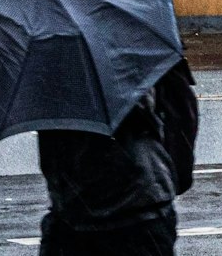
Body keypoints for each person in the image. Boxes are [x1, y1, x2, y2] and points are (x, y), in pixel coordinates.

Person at [36, 60, 195, 256]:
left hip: (76, 208)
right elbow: (181, 115)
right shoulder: (143, 47)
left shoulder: (49, 57)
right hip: (138, 204)